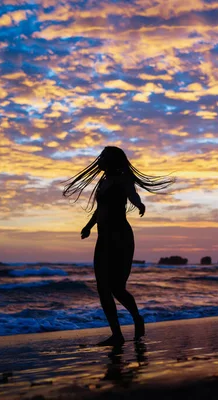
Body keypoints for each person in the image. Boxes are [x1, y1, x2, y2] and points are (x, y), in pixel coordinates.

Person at [63, 146, 174, 346]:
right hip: (103, 239)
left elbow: (133, 195)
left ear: (113, 160)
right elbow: (100, 209)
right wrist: (88, 226)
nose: (100, 159)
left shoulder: (123, 179)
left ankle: (137, 318)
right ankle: (117, 334)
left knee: (117, 287)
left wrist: (139, 204)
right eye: (101, 156)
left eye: (104, 156)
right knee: (102, 288)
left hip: (120, 237)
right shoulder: (103, 182)